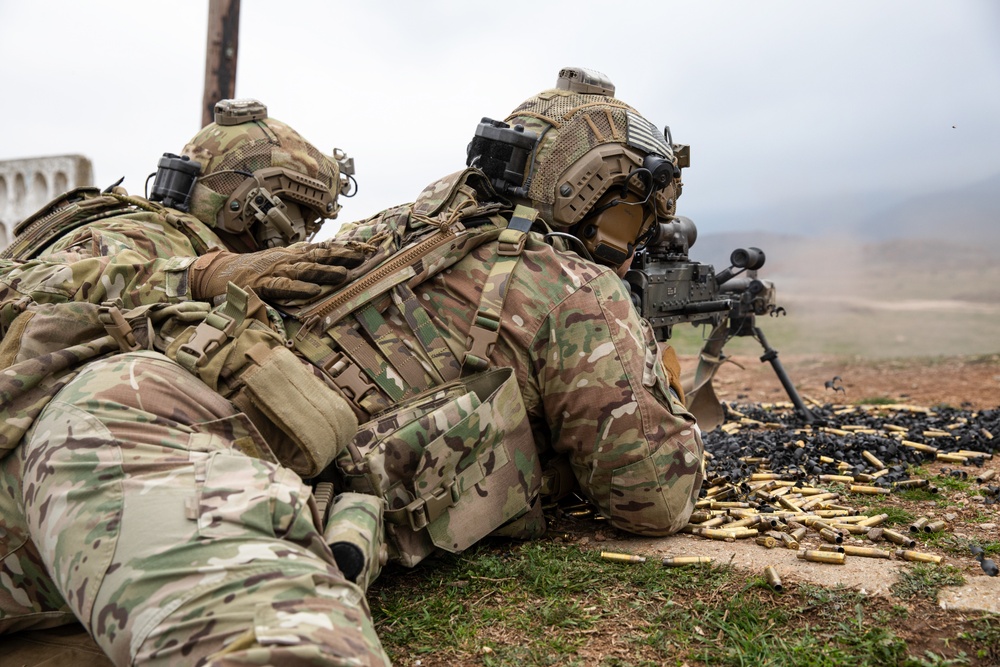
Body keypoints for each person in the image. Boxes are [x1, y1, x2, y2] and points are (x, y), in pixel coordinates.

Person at [0, 100, 390, 665]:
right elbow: (24, 286)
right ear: (256, 206)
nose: (303, 237)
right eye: (302, 218)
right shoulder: (139, 231)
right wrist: (202, 273)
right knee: (129, 389)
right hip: (49, 459)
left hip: (42, 521)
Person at [297, 67, 705, 564]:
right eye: (638, 213)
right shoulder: (574, 289)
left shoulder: (394, 226)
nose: (639, 237)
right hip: (309, 499)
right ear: (600, 198)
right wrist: (657, 371)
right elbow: (658, 500)